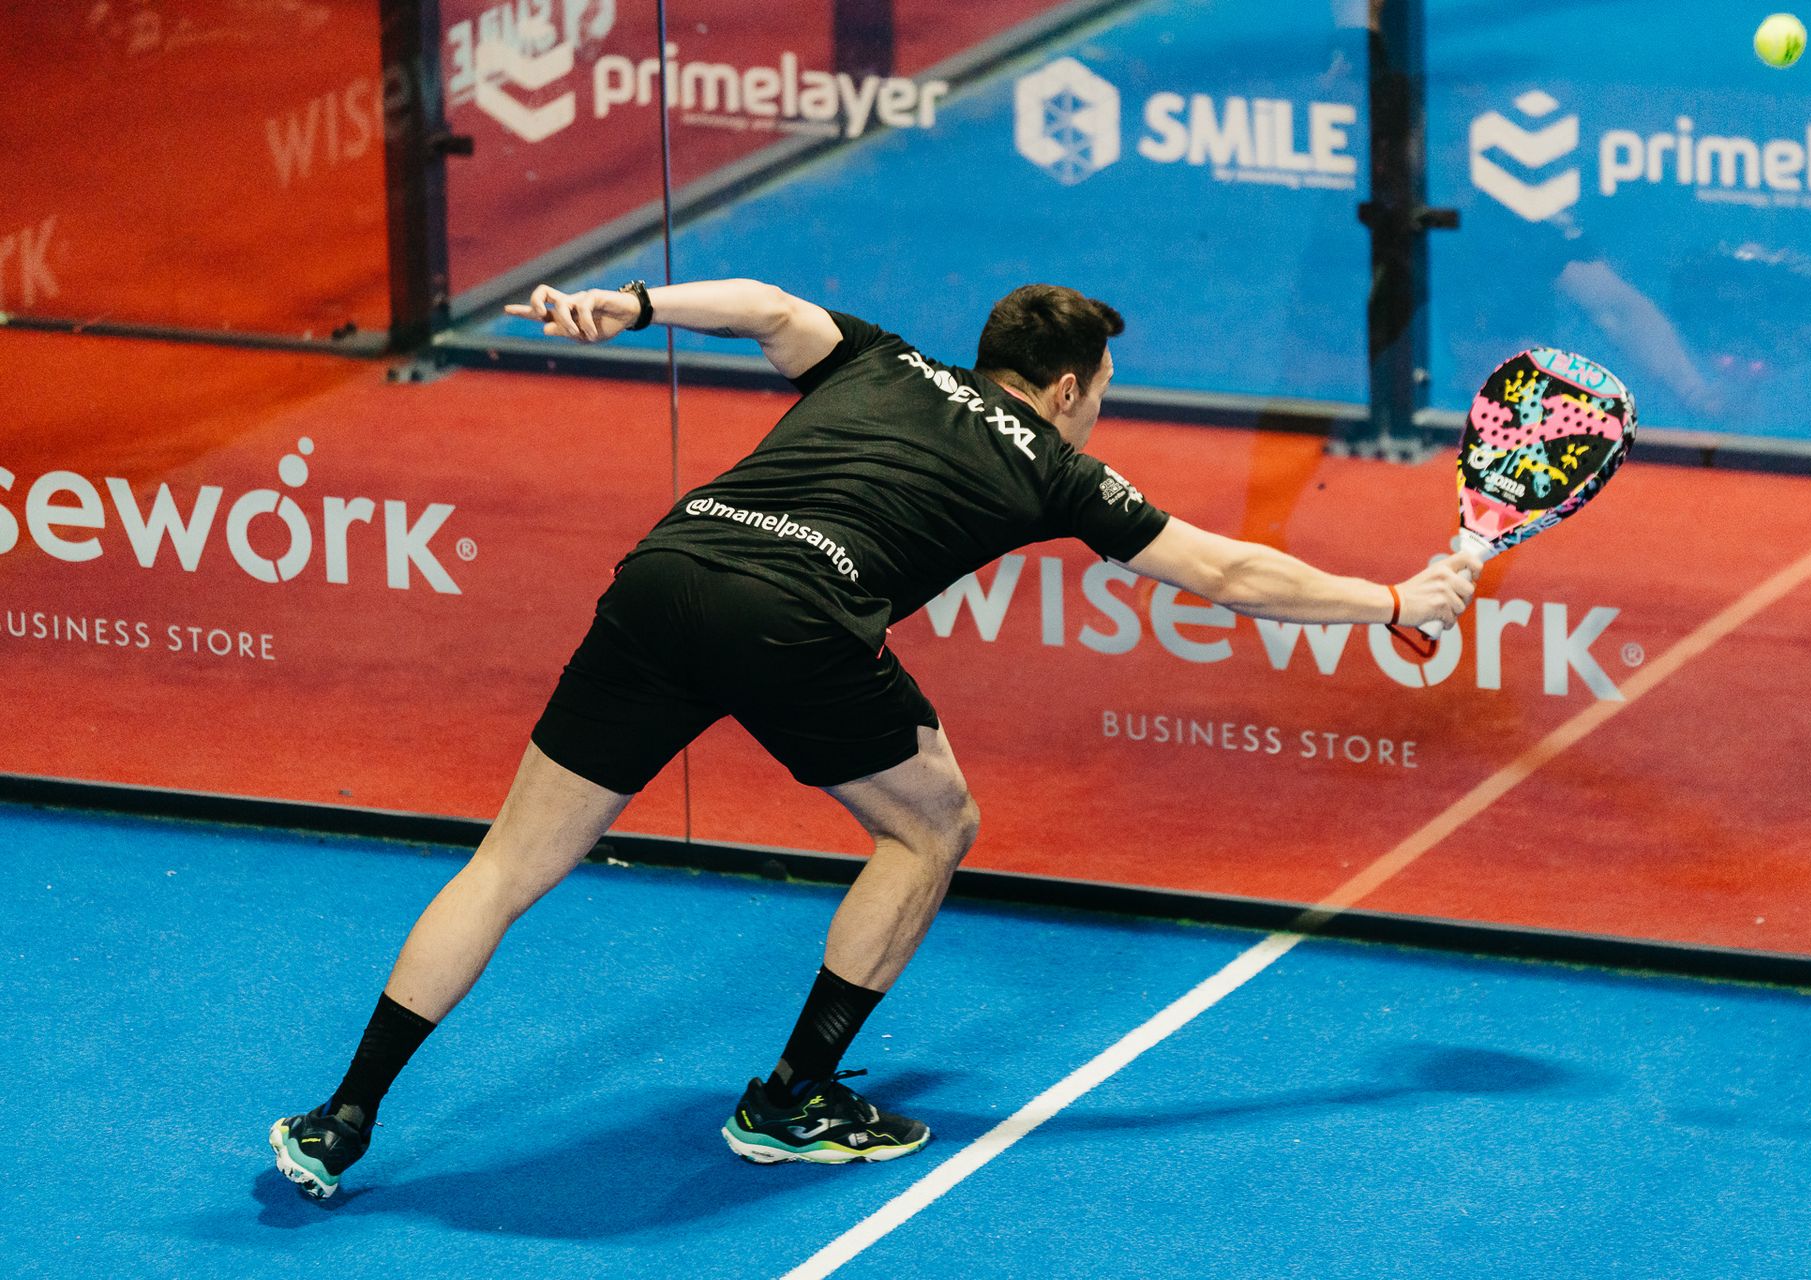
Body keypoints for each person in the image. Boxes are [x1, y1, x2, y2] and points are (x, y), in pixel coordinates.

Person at [270, 278, 1479, 1197]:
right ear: (1063, 389)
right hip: (797, 610)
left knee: (509, 862)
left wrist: (626, 304)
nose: (1097, 404)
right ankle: (794, 1096)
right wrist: (1393, 603)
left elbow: (761, 307)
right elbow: (1226, 569)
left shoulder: (879, 359)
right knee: (935, 823)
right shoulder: (1057, 462)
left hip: (667, 569)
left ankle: (342, 1116)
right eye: (1097, 385)